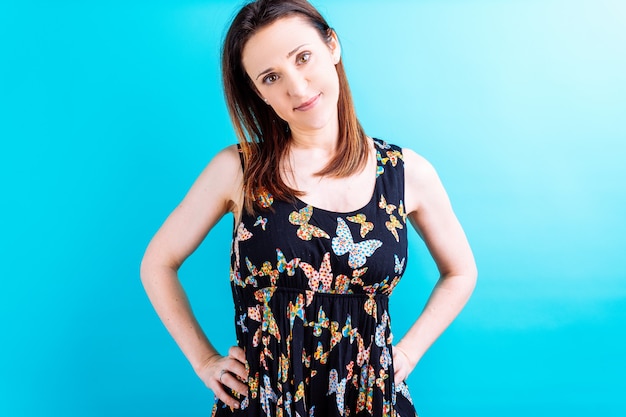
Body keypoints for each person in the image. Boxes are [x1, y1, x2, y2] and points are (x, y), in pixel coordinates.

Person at [140, 0, 477, 416]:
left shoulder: (406, 173)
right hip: (265, 403)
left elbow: (461, 271)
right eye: (271, 77)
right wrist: (205, 361)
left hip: (371, 402)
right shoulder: (238, 170)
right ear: (257, 92)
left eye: (303, 57)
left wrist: (406, 354)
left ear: (331, 46)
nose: (297, 88)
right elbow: (157, 262)